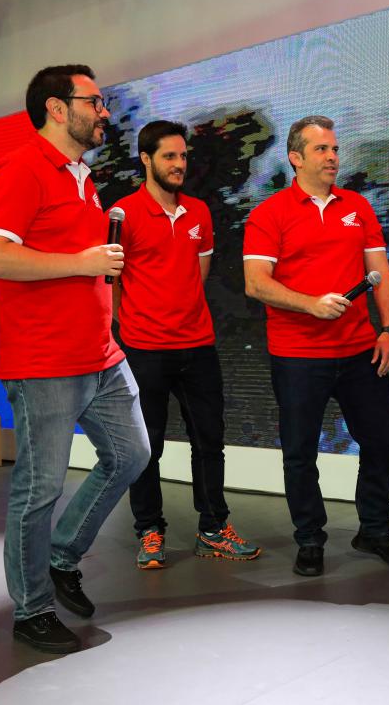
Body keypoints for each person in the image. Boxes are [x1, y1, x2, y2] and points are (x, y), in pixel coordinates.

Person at [0, 65, 151, 655]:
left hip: (99, 354)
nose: (104, 111)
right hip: (43, 360)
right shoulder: (21, 168)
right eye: (93, 101)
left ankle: (62, 554)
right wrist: (82, 262)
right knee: (39, 489)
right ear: (56, 107)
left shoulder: (81, 175)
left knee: (131, 455)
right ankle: (32, 610)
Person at [243, 115, 389, 576]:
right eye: (321, 149)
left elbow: (380, 270)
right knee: (300, 453)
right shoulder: (268, 213)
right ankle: (309, 538)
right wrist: (310, 305)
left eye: (335, 149)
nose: (333, 156)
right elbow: (256, 283)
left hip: (360, 351)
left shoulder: (357, 206)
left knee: (379, 442)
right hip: (297, 356)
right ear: (295, 158)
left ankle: (374, 529)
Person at [111, 120, 259, 567]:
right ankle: (149, 530)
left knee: (209, 441)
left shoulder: (199, 213)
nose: (179, 164)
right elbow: (110, 285)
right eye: (169, 156)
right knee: (147, 447)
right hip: (144, 349)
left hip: (197, 346)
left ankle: (213, 529)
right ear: (146, 159)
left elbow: (198, 274)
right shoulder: (122, 214)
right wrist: (131, 327)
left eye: (183, 156)